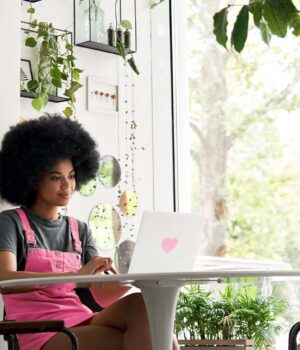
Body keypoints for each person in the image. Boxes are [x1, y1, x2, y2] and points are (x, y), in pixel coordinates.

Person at [0, 115, 180, 350]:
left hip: (80, 318)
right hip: (41, 331)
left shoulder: (79, 230)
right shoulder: (10, 222)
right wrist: (76, 275)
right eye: (56, 177)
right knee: (158, 338)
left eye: (72, 176)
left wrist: (132, 277)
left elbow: (98, 297)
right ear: (33, 179)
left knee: (147, 307)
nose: (67, 186)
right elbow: (5, 280)